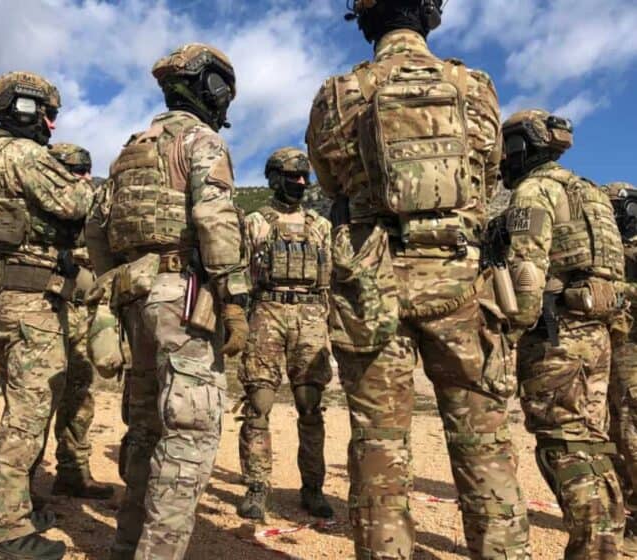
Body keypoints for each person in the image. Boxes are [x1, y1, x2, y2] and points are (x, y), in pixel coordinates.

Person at [305, 1, 531, 557]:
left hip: (372, 286)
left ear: (365, 20)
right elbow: (487, 177)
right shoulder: (475, 86)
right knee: (484, 444)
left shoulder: (338, 93)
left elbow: (331, 184)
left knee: (379, 450)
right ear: (430, 15)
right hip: (460, 281)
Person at [106, 43, 249, 560]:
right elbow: (215, 220)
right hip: (181, 297)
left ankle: (127, 546)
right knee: (189, 433)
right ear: (209, 87)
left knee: (145, 428)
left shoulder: (129, 151)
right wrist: (233, 299)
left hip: (134, 296)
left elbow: (100, 226)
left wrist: (115, 285)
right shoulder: (201, 141)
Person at [0, 71, 93, 560]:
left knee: (24, 403)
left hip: (2, 298)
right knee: (30, 411)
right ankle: (1, 530)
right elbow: (77, 201)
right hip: (28, 299)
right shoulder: (24, 155)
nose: (52, 125)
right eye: (48, 114)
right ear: (26, 108)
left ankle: (19, 505)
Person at [502, 109, 626, 558]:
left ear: (521, 146)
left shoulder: (534, 191)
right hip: (596, 335)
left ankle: (593, 549)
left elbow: (527, 275)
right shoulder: (589, 192)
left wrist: (509, 332)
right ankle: (606, 544)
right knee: (591, 443)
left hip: (557, 336)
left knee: (564, 447)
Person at [237, 147, 333, 520]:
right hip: (267, 312)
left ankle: (313, 488)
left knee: (310, 406)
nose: (300, 182)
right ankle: (257, 487)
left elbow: (331, 281)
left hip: (311, 316)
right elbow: (239, 275)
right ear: (275, 178)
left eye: (304, 176)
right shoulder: (254, 223)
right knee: (258, 403)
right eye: (292, 176)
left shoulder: (320, 226)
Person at [38, 142, 114, 500]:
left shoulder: (92, 209)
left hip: (85, 310)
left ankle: (73, 472)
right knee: (40, 396)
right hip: (48, 309)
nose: (85, 177)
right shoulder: (41, 205)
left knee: (80, 395)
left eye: (87, 169)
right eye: (77, 170)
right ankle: (21, 486)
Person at [605, 181, 637, 556]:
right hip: (614, 349)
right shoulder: (611, 250)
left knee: (630, 431)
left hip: (632, 350)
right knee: (614, 431)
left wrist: (616, 290)